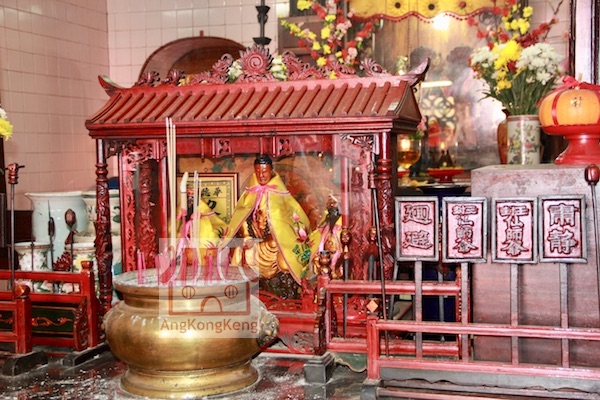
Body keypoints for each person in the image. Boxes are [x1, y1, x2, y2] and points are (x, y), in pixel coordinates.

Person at [223, 154, 312, 299]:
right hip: (255, 241)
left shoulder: (281, 194)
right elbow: (241, 216)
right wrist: (246, 235)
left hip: (275, 243)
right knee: (241, 251)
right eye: (258, 171)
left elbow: (293, 218)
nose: (261, 175)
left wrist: (278, 234)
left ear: (271, 170)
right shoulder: (249, 194)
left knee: (282, 255)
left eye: (264, 171)